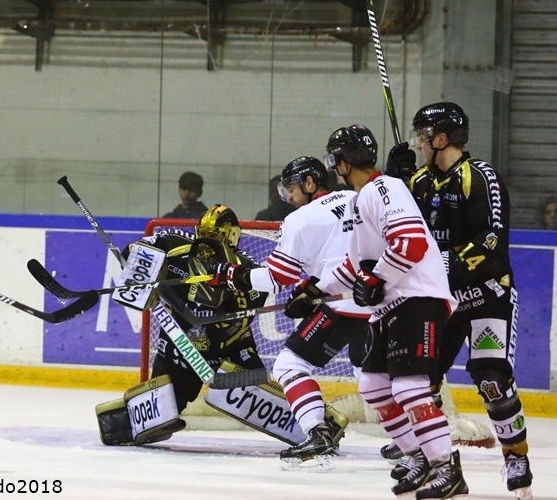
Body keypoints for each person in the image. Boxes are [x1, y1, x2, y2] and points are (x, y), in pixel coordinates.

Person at [299, 124, 467, 499]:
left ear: (342, 162)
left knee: (409, 387)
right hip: (394, 304)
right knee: (373, 385)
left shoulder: (385, 189)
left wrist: (375, 280)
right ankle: (416, 455)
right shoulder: (362, 199)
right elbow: (356, 263)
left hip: (418, 298)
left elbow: (409, 244)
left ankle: (446, 466)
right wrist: (315, 289)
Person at [384, 102, 531, 499]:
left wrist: (436, 263)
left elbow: (493, 243)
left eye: (422, 135)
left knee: (492, 380)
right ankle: (443, 467)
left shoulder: (480, 177)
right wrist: (392, 180)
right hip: (443, 303)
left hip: (487, 297)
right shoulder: (417, 181)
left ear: (441, 138)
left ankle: (516, 457)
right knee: (421, 383)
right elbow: (396, 228)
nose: (417, 142)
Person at [96, 205, 307, 448]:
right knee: (155, 420)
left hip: (229, 352)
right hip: (180, 352)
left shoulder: (246, 271)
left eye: (213, 236)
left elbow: (240, 318)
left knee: (271, 406)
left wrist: (221, 299)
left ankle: (314, 426)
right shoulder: (176, 246)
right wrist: (138, 267)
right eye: (203, 234)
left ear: (230, 236)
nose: (206, 242)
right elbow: (139, 248)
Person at [204, 156, 365, 466]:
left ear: (309, 182)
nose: (288, 197)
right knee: (374, 377)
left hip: (341, 306)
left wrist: (227, 275)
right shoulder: (356, 197)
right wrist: (310, 289)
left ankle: (317, 433)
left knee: (290, 364)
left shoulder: (301, 219)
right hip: (381, 301)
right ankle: (416, 441)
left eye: (291, 188)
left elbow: (275, 279)